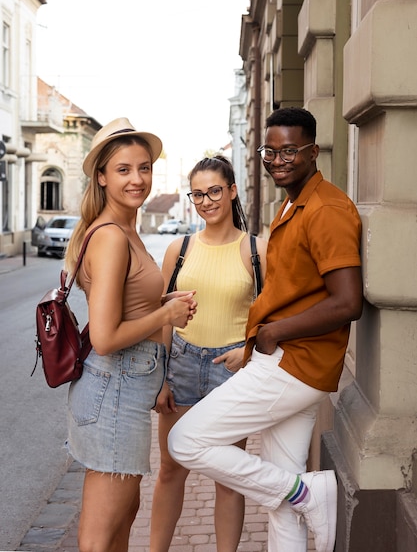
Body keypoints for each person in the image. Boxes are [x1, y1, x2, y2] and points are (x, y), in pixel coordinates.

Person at [168, 107, 363, 552]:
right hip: (292, 361)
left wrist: (273, 333)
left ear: (314, 152)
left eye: (290, 150)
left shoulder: (328, 209)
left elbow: (348, 301)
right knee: (281, 499)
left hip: (292, 363)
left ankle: (306, 492)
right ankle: (300, 493)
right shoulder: (293, 204)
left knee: (186, 440)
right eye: (269, 151)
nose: (278, 159)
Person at [64, 117, 197, 552]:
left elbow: (124, 311)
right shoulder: (112, 238)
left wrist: (161, 309)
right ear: (101, 177)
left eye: (144, 167)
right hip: (113, 389)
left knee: (123, 517)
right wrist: (169, 314)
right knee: (100, 535)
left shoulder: (125, 230)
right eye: (123, 170)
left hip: (125, 388)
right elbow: (104, 336)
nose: (137, 179)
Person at [150, 155, 267, 552]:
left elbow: (268, 318)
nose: (206, 201)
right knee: (170, 470)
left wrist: (248, 351)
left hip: (230, 370)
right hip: (181, 364)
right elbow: (163, 316)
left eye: (214, 191)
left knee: (228, 478)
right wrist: (161, 377)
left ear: (232, 191)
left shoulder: (257, 250)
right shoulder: (178, 249)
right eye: (198, 193)